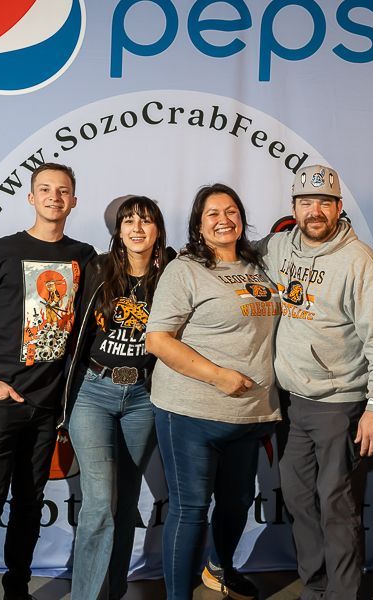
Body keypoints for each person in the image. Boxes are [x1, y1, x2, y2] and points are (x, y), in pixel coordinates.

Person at [0, 163, 96, 600]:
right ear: (31, 198)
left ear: (73, 201)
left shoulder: (85, 255)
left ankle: (17, 591)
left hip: (48, 407)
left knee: (30, 507)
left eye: (63, 190)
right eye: (45, 189)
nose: (54, 197)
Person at [258, 164, 373, 599]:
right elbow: (231, 259)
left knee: (336, 504)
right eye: (306, 202)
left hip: (341, 403)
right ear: (294, 208)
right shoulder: (278, 247)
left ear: (339, 207)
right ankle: (315, 586)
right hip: (290, 403)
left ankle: (343, 592)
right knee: (299, 501)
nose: (315, 211)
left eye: (324, 202)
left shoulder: (361, 262)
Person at [144, 184, 281, 600]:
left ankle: (219, 568)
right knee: (190, 509)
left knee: (237, 502)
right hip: (191, 412)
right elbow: (158, 340)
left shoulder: (259, 266)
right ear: (198, 225)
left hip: (249, 414)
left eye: (231, 211)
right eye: (213, 214)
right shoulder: (185, 269)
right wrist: (218, 375)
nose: (224, 219)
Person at [63, 196, 172, 600]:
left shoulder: (173, 274)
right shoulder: (97, 268)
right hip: (94, 391)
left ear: (158, 230)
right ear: (118, 230)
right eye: (129, 221)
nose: (137, 228)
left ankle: (114, 591)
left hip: (143, 396)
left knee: (126, 502)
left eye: (146, 221)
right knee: (98, 502)